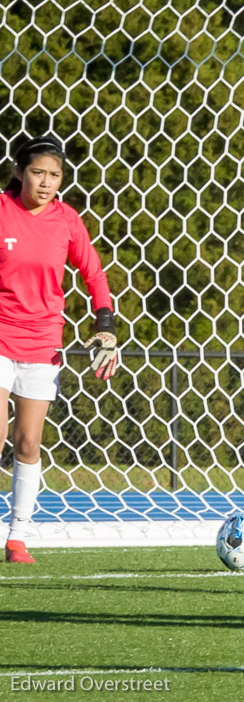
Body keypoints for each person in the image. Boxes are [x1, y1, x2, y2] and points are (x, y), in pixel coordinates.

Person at [0, 136, 120, 564]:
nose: (46, 182)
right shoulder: (2, 211)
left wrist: (104, 325)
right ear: (19, 173)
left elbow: (94, 274)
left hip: (43, 342)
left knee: (27, 443)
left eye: (54, 175)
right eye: (38, 173)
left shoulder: (67, 220)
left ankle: (16, 538)